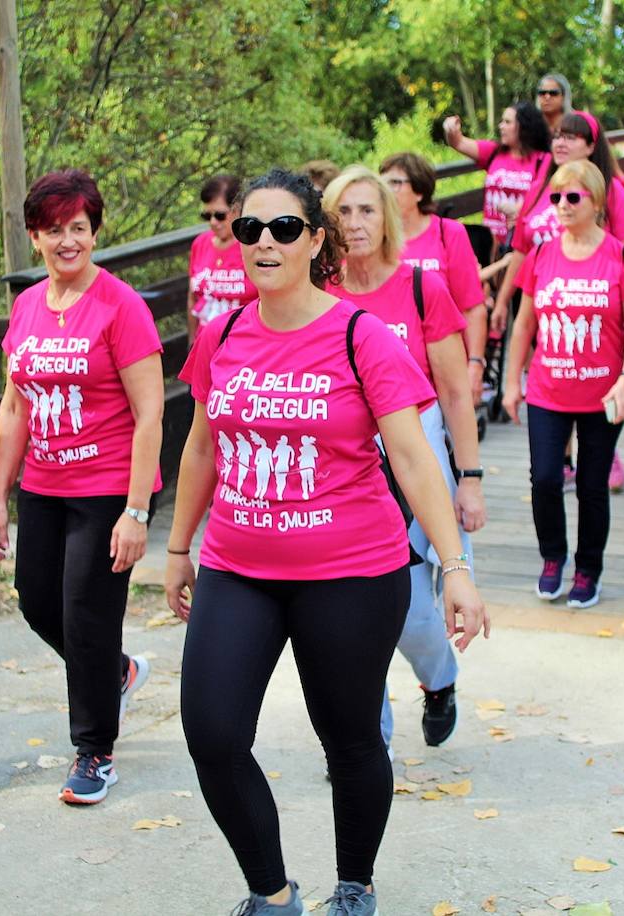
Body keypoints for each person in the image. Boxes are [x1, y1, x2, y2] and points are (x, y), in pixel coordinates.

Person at [166, 168, 488, 916]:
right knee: (212, 735)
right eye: (250, 229)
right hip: (238, 566)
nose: (264, 242)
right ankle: (272, 892)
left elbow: (412, 457)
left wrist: (455, 567)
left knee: (349, 740)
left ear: (316, 240)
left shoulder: (360, 335)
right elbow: (201, 450)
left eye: (283, 228)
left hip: (351, 571)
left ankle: (355, 885)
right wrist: (179, 547)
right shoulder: (222, 335)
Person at [0, 168, 163, 807]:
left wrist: (136, 511)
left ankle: (94, 752)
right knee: (37, 601)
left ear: (94, 233)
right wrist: (0, 497)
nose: (68, 242)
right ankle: (113, 670)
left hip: (108, 486)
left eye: (79, 229)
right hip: (45, 485)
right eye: (55, 230)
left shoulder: (121, 307)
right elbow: (14, 408)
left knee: (87, 611)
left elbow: (150, 415)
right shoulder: (27, 306)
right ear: (35, 236)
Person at [323, 165, 487, 750]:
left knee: (415, 609)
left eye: (368, 210)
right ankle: (371, 738)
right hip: (342, 463)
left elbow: (454, 393)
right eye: (344, 211)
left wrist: (469, 480)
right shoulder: (319, 296)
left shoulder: (422, 288)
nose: (356, 223)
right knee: (346, 612)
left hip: (414, 457)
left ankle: (437, 679)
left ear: (388, 220)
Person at [503, 160, 624, 607]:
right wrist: (512, 382)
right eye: (556, 198)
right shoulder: (541, 256)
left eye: (573, 197)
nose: (562, 206)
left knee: (592, 484)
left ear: (597, 201)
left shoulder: (622, 258)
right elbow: (524, 325)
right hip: (548, 391)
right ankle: (553, 558)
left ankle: (588, 569)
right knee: (545, 478)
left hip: (603, 392)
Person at [492, 110, 624, 492]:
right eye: (557, 135)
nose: (561, 142)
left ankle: (599, 456)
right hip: (546, 293)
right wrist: (501, 301)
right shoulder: (540, 190)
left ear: (592, 146)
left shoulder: (613, 190)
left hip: (597, 306)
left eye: (572, 137)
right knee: (555, 375)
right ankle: (565, 457)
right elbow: (523, 251)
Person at [380, 152, 488, 402]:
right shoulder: (373, 238)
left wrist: (474, 364)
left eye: (395, 183)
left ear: (419, 191)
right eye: (382, 183)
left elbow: (472, 307)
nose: (386, 190)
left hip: (441, 365)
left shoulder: (448, 233)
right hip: (387, 365)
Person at [443, 102, 551, 257]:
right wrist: (450, 128)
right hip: (490, 243)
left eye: (507, 122)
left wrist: (519, 210)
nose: (501, 126)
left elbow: (542, 197)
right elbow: (458, 142)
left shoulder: (543, 160)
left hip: (521, 245)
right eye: (502, 121)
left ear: (525, 126)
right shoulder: (494, 152)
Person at [188, 174, 256, 340]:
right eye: (206, 216)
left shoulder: (253, 245)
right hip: (205, 342)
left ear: (238, 210)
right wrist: (191, 341)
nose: (212, 222)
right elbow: (192, 296)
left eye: (219, 215)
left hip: (243, 342)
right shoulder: (200, 243)